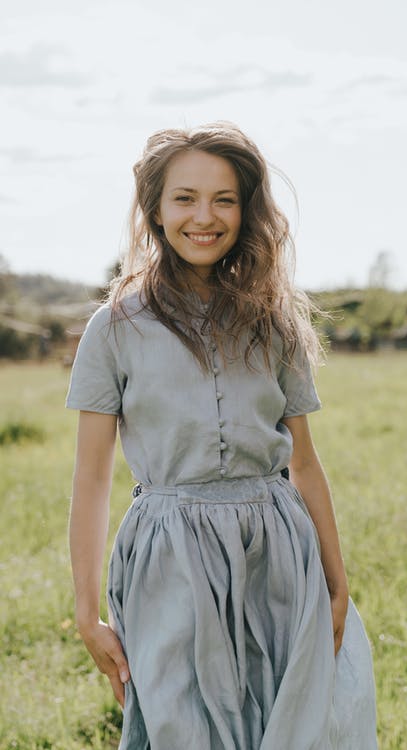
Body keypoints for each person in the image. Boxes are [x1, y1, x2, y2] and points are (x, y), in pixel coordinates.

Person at [67, 122, 377, 749]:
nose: (203, 216)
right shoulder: (115, 327)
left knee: (297, 726)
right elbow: (93, 478)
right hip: (169, 559)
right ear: (154, 208)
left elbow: (305, 465)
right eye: (184, 197)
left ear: (247, 209)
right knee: (185, 729)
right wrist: (85, 612)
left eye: (224, 199)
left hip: (279, 555)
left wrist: (337, 586)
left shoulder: (274, 320)